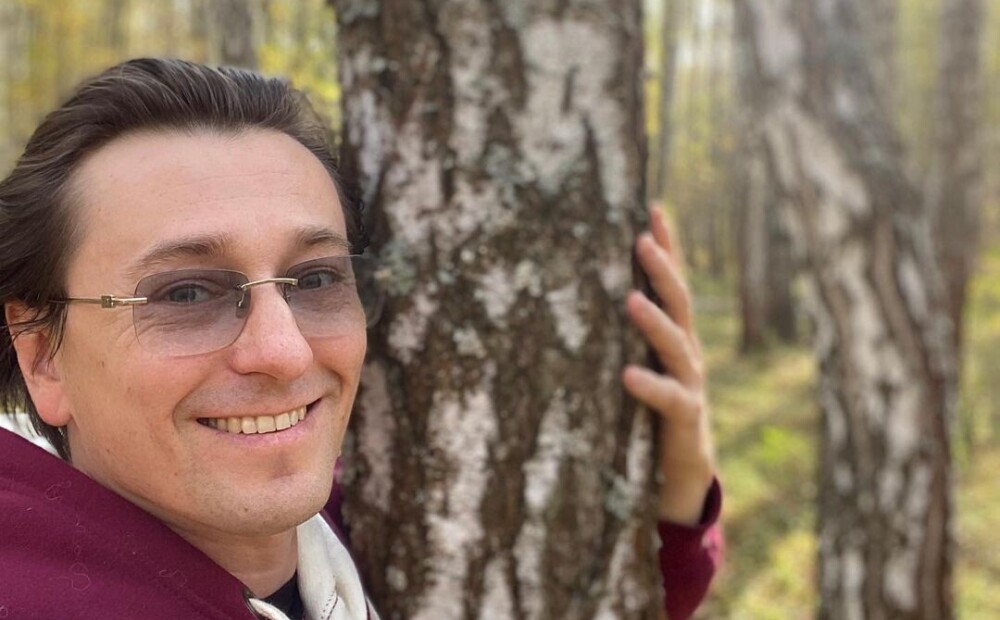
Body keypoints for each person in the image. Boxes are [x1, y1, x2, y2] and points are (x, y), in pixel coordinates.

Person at [0, 58, 720, 619]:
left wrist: (670, 500)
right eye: (187, 293)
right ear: (42, 356)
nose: (285, 352)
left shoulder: (359, 526)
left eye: (316, 278)